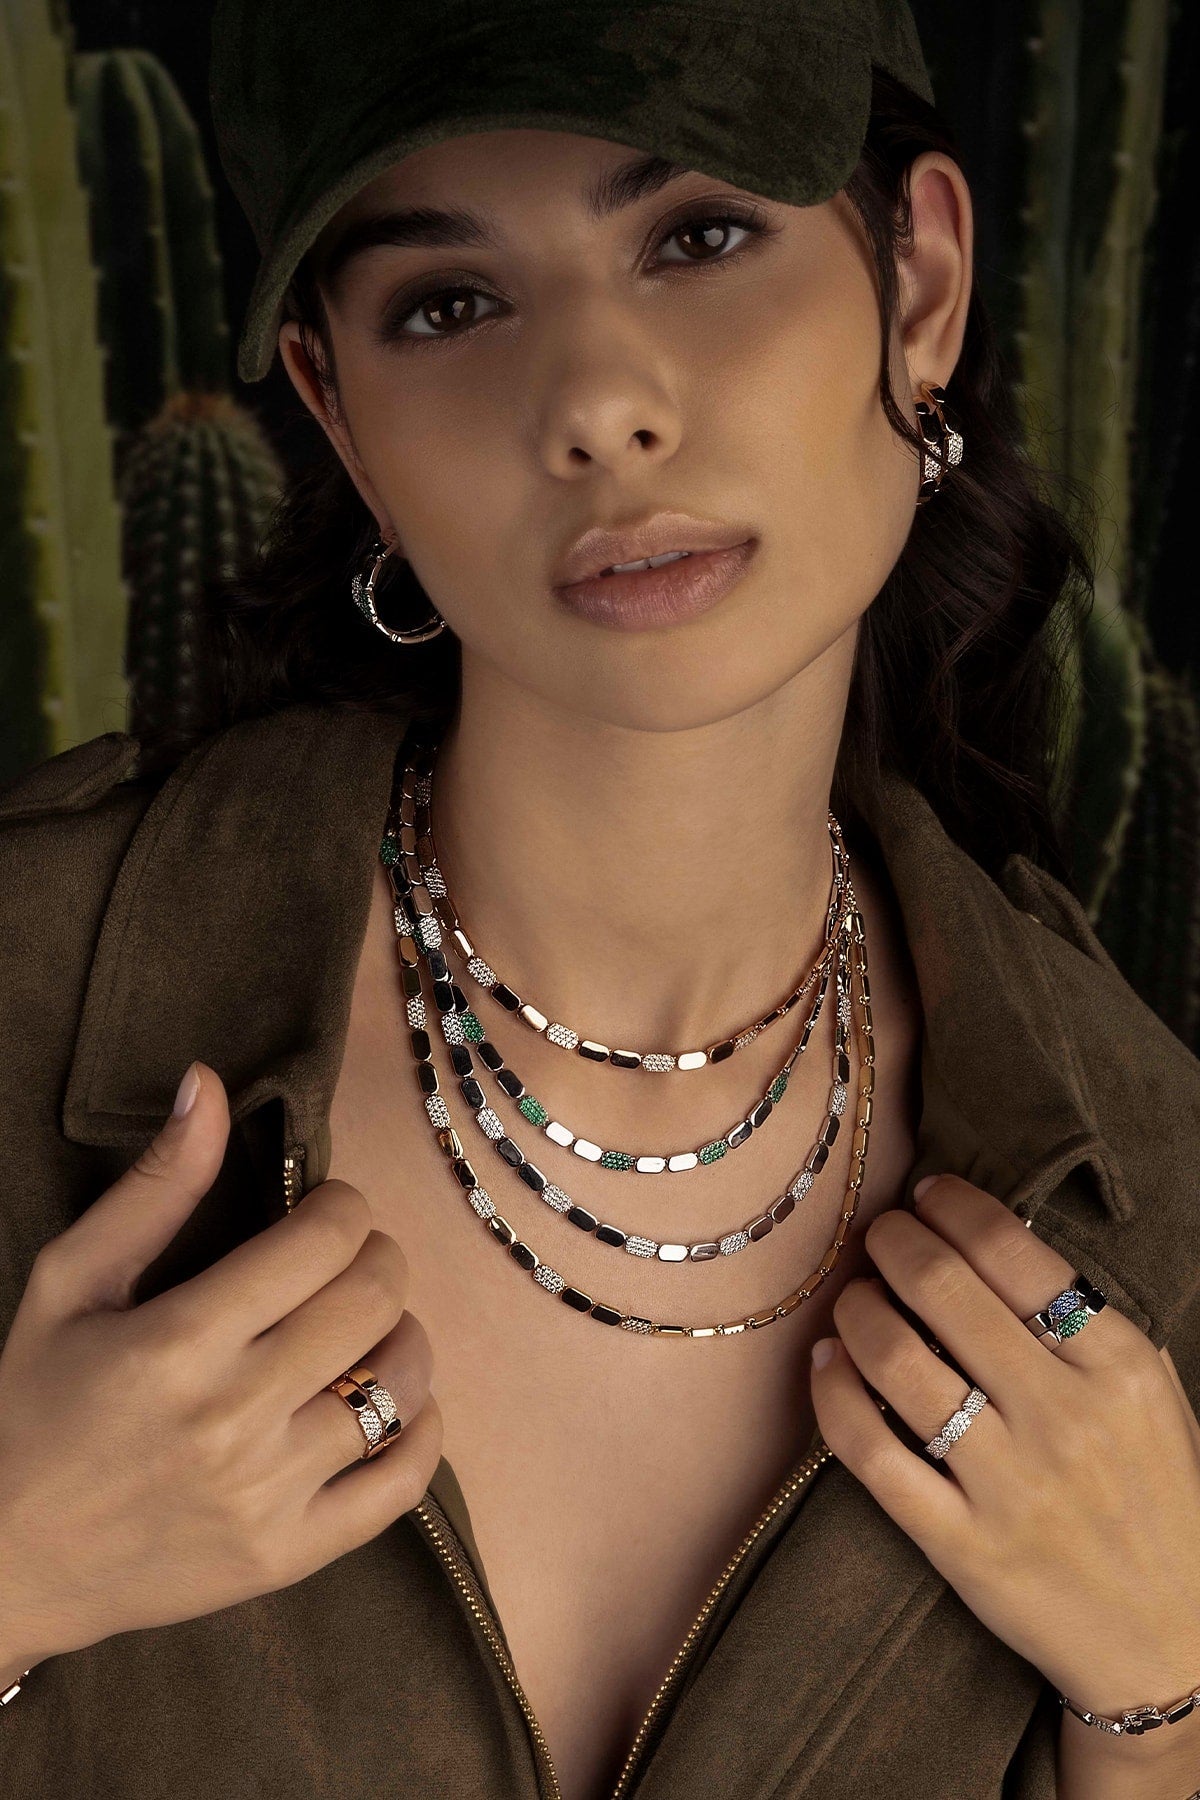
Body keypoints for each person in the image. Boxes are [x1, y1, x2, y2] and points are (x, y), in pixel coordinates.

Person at [1, 3, 1199, 1797]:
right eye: (449, 305)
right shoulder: (28, 1000)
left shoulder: (1142, 1177)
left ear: (923, 282)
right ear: (339, 408)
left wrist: (1160, 1698)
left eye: (701, 238)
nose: (596, 406)